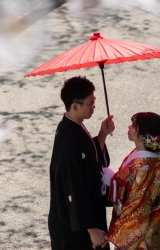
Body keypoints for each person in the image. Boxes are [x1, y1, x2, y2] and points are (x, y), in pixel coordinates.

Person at [49, 76, 115, 250]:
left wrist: (102, 134)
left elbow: (87, 158)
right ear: (75, 106)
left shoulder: (75, 126)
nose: (94, 106)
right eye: (90, 103)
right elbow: (72, 186)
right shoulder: (67, 139)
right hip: (74, 225)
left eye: (95, 101)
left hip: (86, 215)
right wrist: (91, 229)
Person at [104, 112, 160, 250]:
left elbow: (131, 204)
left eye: (133, 126)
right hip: (158, 235)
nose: (129, 127)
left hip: (139, 241)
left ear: (142, 136)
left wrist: (110, 178)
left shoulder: (141, 170)